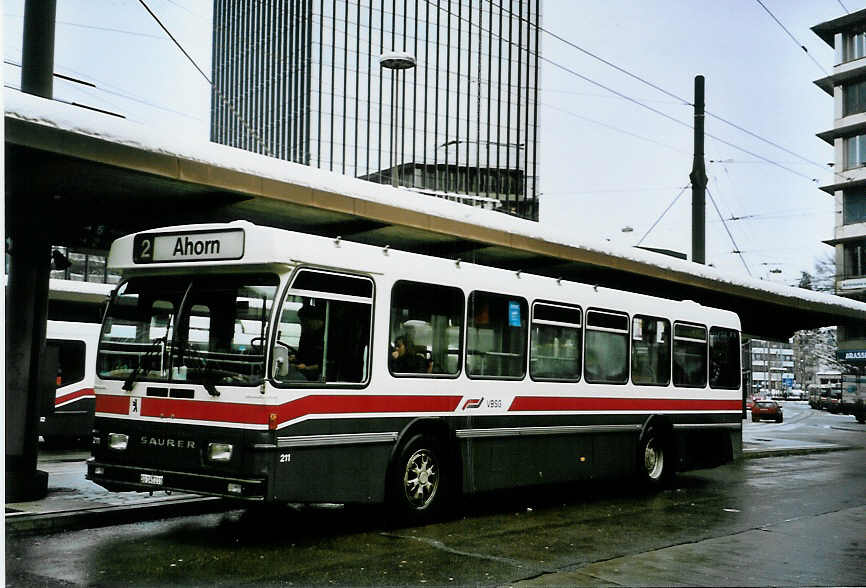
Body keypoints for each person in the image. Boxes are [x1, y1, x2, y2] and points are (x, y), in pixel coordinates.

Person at [291, 303, 325, 381]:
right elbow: (304, 354)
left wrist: (307, 368)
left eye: (305, 322)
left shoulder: (326, 336)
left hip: (318, 377)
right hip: (305, 373)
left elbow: (327, 364)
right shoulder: (308, 334)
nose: (303, 325)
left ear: (315, 320)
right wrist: (295, 358)